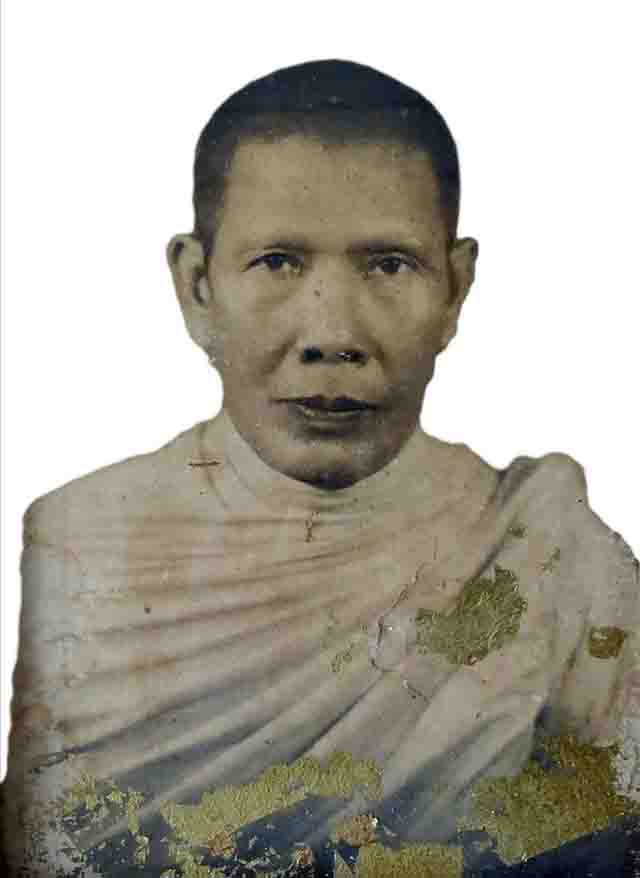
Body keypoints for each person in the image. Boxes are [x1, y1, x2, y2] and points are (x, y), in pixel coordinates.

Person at [2, 59, 639, 878]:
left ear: (455, 288)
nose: (333, 333)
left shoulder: (548, 552)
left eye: (389, 265)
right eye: (278, 262)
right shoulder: (79, 543)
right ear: (197, 287)